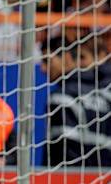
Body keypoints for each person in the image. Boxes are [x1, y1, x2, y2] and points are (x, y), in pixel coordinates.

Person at [41, 35, 111, 167]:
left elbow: (64, 154)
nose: (43, 69)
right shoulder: (105, 97)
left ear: (67, 58)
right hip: (105, 182)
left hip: (71, 182)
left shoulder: (60, 97)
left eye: (47, 61)